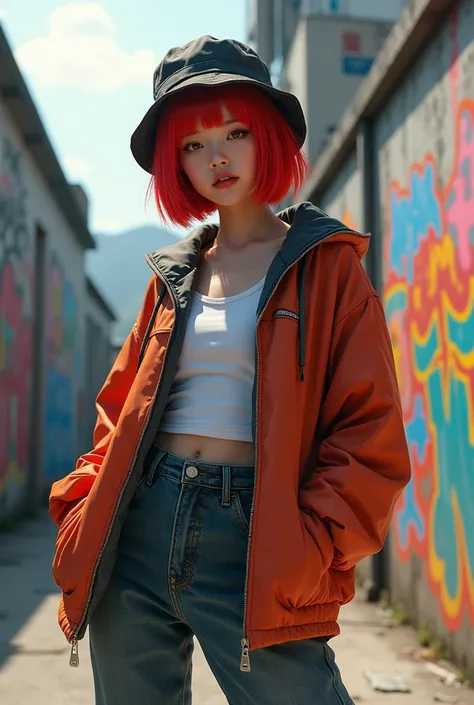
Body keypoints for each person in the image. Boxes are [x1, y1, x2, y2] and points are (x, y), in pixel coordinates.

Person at [49, 35, 411, 705]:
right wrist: (82, 506)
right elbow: (116, 414)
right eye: (192, 143)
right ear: (173, 162)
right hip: (139, 523)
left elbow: (371, 431)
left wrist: (311, 542)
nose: (216, 155)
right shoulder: (171, 276)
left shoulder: (327, 268)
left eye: (235, 132)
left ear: (267, 135)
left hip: (257, 532)